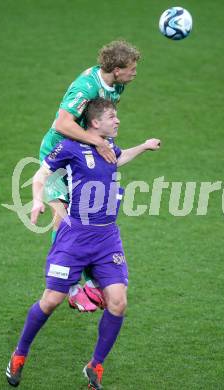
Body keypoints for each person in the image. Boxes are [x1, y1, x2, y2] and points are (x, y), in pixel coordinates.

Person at [6, 98, 161, 389]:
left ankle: (95, 366)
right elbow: (40, 176)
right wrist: (38, 201)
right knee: (51, 300)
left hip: (107, 238)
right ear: (94, 122)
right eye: (112, 117)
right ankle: (19, 354)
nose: (117, 121)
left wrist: (144, 146)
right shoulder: (69, 147)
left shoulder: (107, 146)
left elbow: (120, 156)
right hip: (75, 236)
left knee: (118, 302)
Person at [39, 40, 141, 311]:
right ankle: (68, 287)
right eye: (131, 69)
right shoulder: (86, 86)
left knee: (89, 213)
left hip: (83, 150)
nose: (135, 73)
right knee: (62, 215)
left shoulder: (116, 85)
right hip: (60, 152)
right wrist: (97, 143)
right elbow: (63, 123)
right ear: (116, 70)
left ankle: (92, 280)